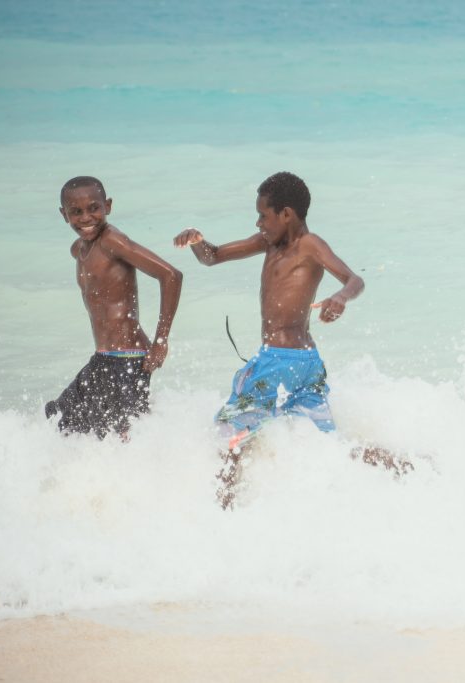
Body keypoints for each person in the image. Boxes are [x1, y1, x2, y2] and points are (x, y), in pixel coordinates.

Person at [173, 172, 409, 506]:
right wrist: (196, 242)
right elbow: (213, 257)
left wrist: (340, 298)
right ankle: (403, 467)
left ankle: (221, 506)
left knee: (230, 431)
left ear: (287, 214)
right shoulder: (268, 242)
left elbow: (354, 279)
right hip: (306, 363)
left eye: (263, 215)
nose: (258, 223)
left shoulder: (310, 246)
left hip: (277, 360)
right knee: (328, 444)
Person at [45, 176, 183, 439]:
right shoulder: (79, 250)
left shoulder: (113, 242)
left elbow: (171, 276)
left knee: (125, 436)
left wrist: (161, 341)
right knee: (60, 419)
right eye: (76, 212)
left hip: (129, 360)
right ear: (64, 215)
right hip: (102, 360)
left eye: (94, 208)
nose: (86, 218)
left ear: (107, 206)